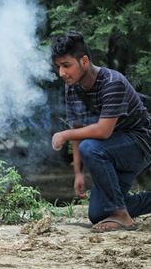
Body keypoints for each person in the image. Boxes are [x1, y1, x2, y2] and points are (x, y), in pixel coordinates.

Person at [51, 31, 151, 232]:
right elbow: (78, 128)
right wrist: (78, 173)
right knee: (98, 214)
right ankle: (120, 209)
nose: (61, 73)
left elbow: (103, 131)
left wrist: (64, 135)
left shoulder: (112, 82)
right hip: (114, 149)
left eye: (66, 65)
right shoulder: (72, 87)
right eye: (58, 67)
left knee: (91, 147)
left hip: (141, 143)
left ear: (84, 61)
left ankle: (123, 217)